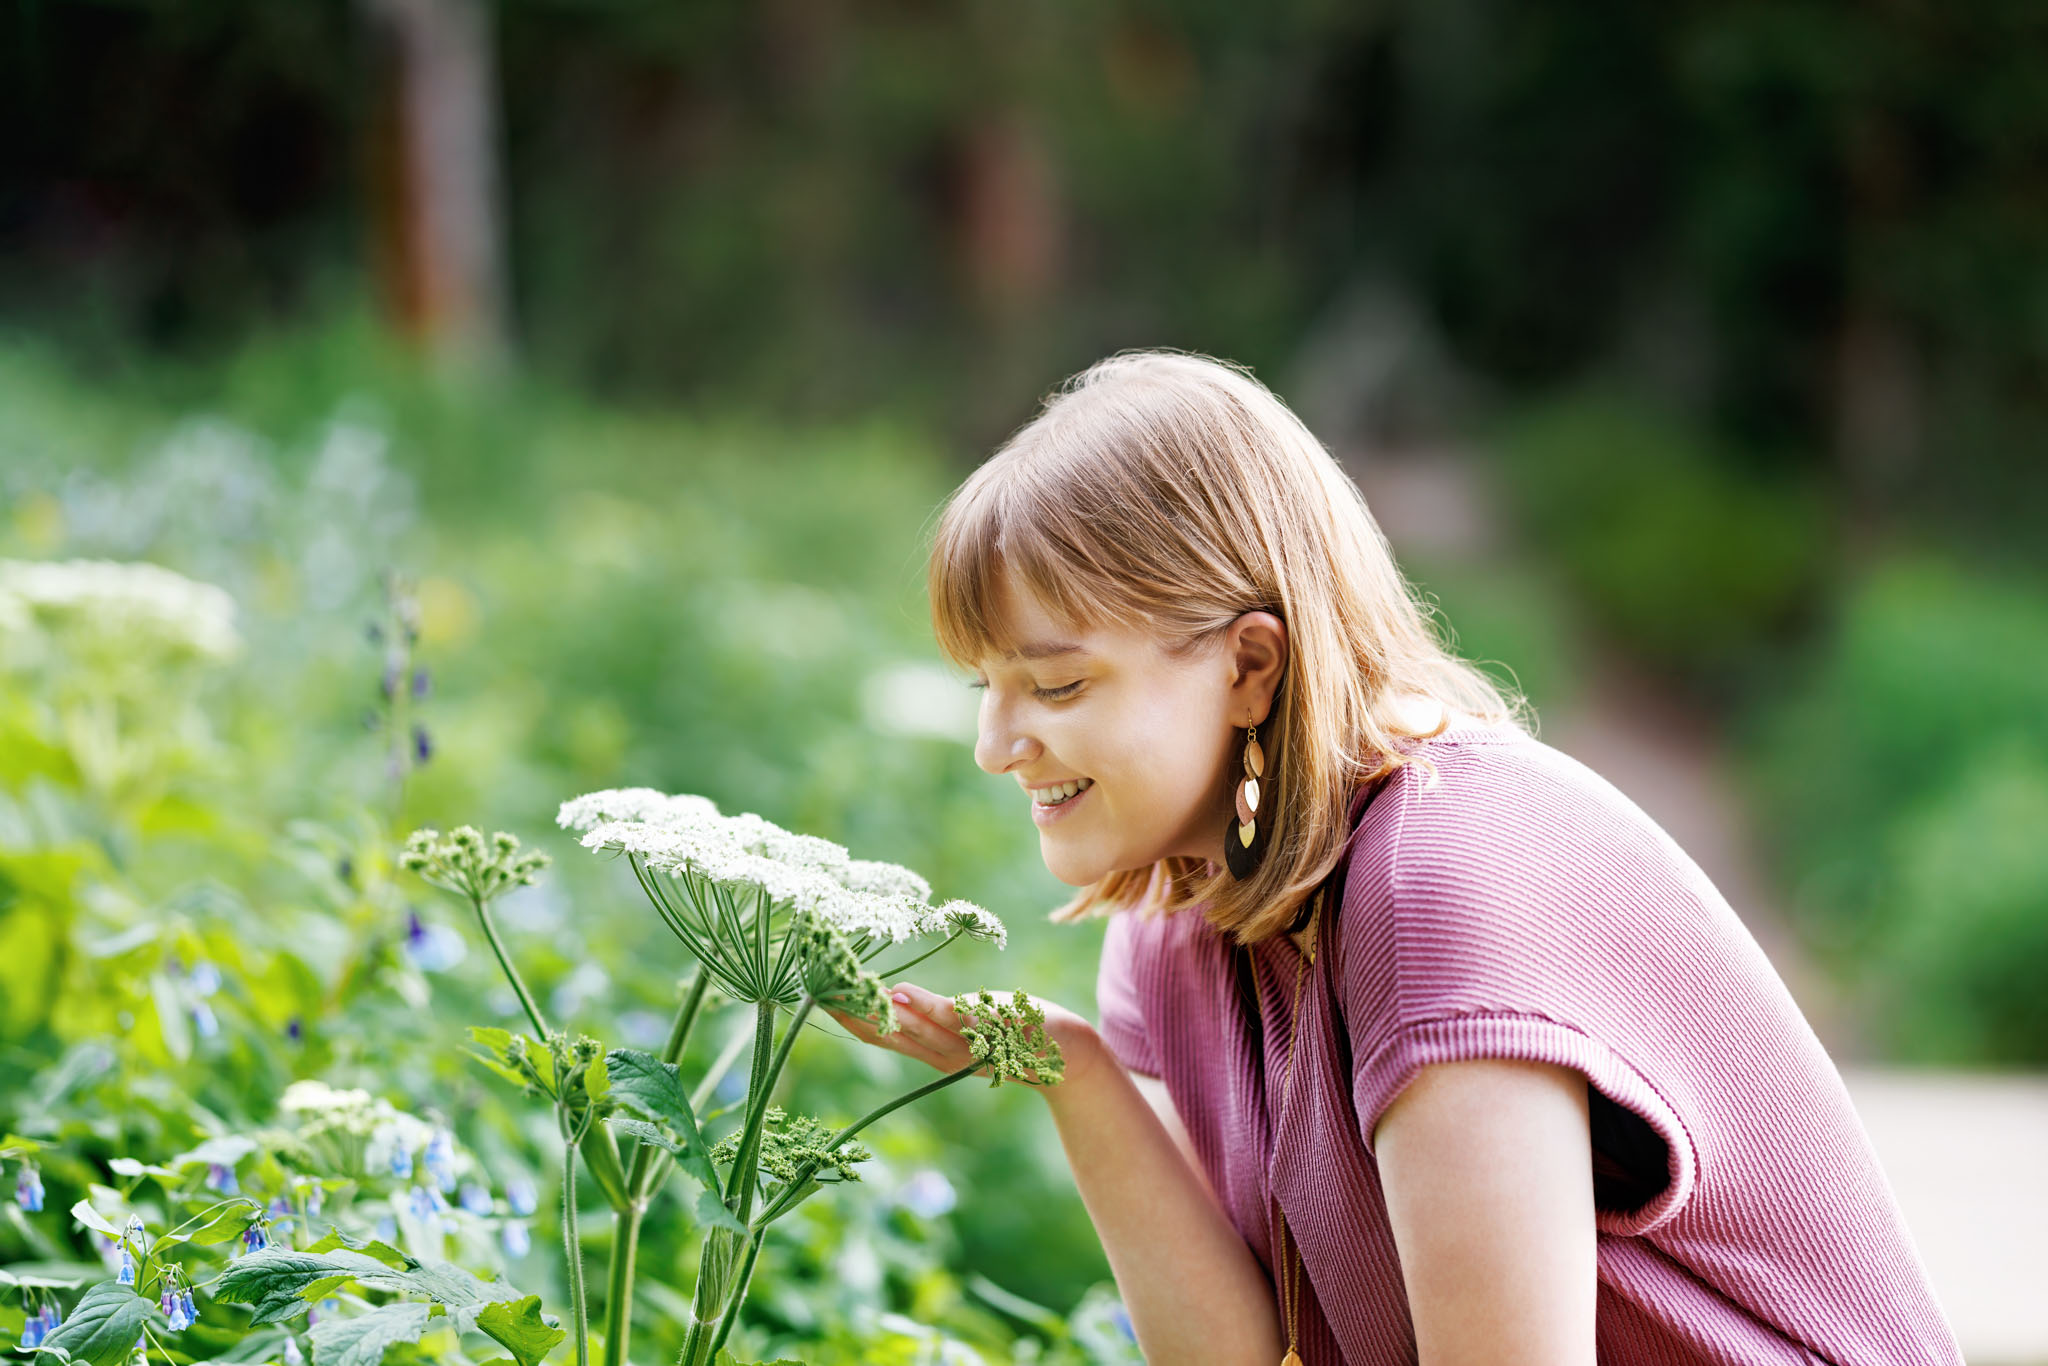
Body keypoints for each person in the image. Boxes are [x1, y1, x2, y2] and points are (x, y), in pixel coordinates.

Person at [824, 350, 1962, 1365]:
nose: (993, 745)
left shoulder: (1437, 882)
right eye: (989, 687)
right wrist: (1066, 1071)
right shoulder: (1178, 924)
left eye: (1058, 684)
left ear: (1252, 665)